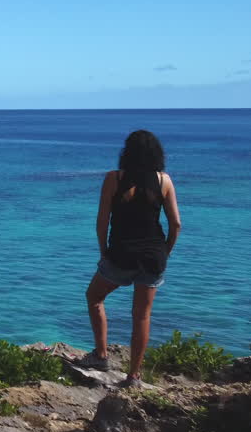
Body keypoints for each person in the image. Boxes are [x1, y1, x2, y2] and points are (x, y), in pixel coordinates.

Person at [76, 129, 181, 387]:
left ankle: (101, 356)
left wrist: (103, 251)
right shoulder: (164, 181)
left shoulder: (114, 178)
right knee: (142, 316)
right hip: (153, 256)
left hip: (121, 253)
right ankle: (133, 376)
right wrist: (165, 251)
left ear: (127, 152)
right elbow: (176, 224)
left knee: (94, 297)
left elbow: (103, 220)